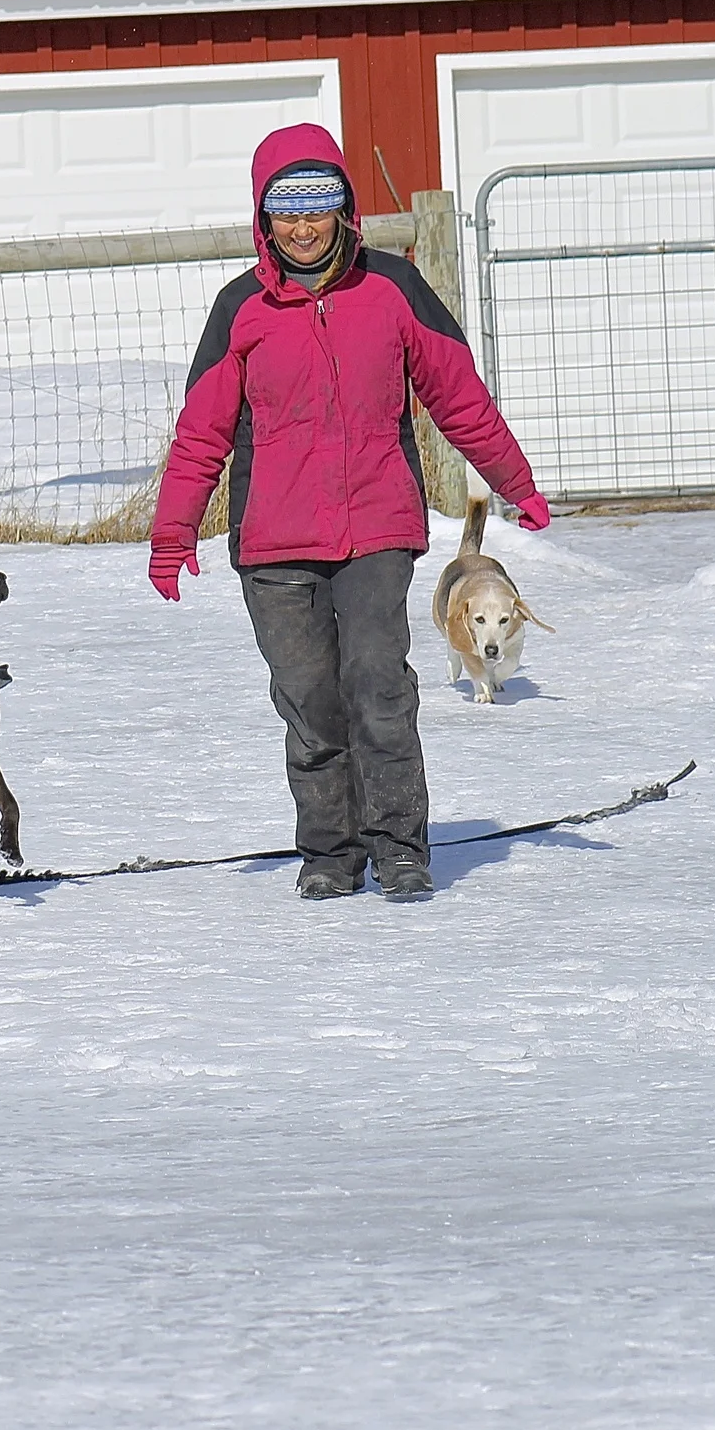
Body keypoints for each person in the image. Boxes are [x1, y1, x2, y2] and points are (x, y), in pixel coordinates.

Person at [148, 124, 550, 900]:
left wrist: (515, 482)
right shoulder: (242, 308)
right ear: (263, 218)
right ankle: (331, 850)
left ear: (344, 208)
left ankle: (399, 844)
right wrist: (173, 537)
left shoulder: (392, 288)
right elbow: (200, 432)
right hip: (273, 543)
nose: (302, 227)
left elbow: (458, 396)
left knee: (378, 686)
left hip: (374, 529)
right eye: (284, 211)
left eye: (318, 206)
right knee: (309, 698)